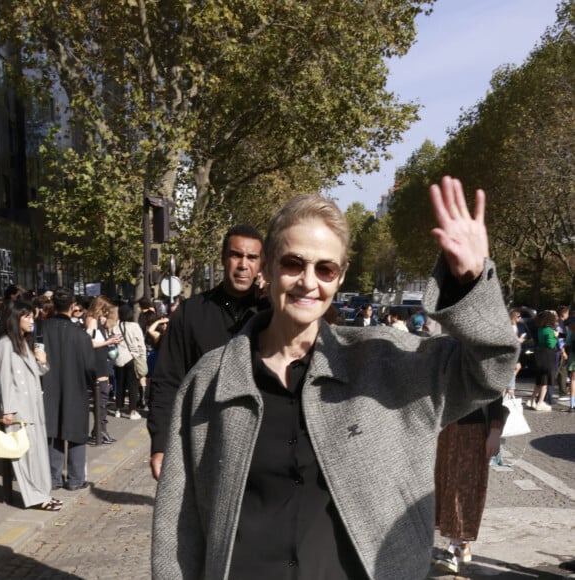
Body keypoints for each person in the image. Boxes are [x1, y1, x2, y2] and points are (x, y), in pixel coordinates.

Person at [152, 177, 519, 580]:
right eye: (294, 263)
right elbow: (178, 527)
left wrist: (470, 281)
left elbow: (489, 370)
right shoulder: (209, 382)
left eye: (325, 269)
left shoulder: (388, 363)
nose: (309, 281)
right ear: (269, 267)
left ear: (340, 277)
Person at [147, 224, 264, 479]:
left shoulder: (274, 313)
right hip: (204, 445)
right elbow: (167, 380)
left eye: (252, 257)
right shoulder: (191, 313)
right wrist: (161, 443)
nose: (244, 265)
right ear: (223, 259)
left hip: (263, 447)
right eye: (236, 255)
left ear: (261, 264)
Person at [0, 300, 63, 511]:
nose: (32, 320)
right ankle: (35, 497)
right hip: (18, 409)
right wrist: (7, 410)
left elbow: (38, 372)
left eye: (32, 316)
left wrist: (42, 360)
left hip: (33, 406)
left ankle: (43, 493)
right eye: (27, 316)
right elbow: (3, 378)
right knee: (24, 456)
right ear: (16, 318)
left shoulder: (23, 342)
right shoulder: (5, 344)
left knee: (37, 453)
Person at [432, 397, 509, 574]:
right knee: (446, 485)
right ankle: (461, 545)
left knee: (464, 488)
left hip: (472, 430)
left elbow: (494, 391)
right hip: (446, 428)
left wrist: (495, 431)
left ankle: (456, 548)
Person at [42, 288, 96, 491]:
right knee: (75, 432)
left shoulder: (41, 329)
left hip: (47, 384)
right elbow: (90, 366)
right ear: (73, 306)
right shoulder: (80, 335)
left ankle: (53, 478)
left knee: (52, 430)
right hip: (75, 385)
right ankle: (75, 479)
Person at [85, 295, 123, 444]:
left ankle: (101, 429)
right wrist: (109, 341)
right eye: (105, 310)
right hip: (97, 363)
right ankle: (100, 431)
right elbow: (90, 342)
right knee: (101, 396)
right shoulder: (91, 320)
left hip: (102, 361)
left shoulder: (96, 321)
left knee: (103, 395)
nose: (106, 314)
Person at [113, 304, 147, 420]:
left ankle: (118, 409)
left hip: (119, 359)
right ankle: (132, 411)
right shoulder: (135, 326)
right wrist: (143, 357)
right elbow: (141, 343)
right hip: (132, 358)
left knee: (120, 385)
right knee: (133, 386)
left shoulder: (116, 326)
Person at [526, 310, 558, 412]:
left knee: (539, 382)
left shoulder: (540, 329)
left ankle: (531, 400)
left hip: (540, 357)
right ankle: (540, 402)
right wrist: (555, 337)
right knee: (545, 382)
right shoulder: (549, 330)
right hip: (548, 357)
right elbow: (551, 344)